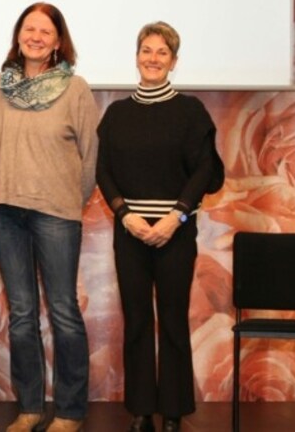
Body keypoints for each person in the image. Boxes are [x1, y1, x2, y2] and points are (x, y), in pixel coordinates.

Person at [95, 22, 224, 432]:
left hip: (176, 231)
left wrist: (177, 216)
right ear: (136, 56)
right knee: (136, 321)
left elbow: (205, 170)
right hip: (129, 231)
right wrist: (125, 215)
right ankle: (140, 411)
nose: (153, 58)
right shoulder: (117, 113)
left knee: (171, 320)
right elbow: (104, 170)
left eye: (161, 53)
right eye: (146, 50)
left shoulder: (190, 111)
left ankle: (172, 412)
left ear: (174, 61)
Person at [0, 2, 99, 432]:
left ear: (58, 41)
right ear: (18, 36)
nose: (35, 36)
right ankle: (30, 408)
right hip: (7, 212)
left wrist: (68, 200)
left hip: (57, 214)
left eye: (45, 31)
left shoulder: (76, 88)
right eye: (28, 28)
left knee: (64, 311)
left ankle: (69, 411)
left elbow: (89, 159)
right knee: (22, 314)